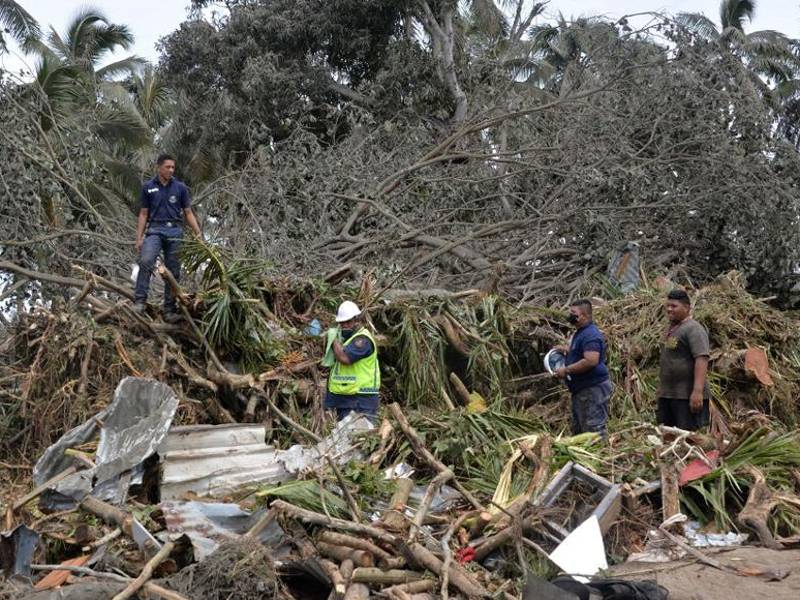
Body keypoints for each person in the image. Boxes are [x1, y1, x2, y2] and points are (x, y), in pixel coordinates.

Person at [133, 153, 202, 322]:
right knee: (146, 260)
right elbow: (143, 214)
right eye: (167, 167)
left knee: (173, 270)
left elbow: (188, 213)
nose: (171, 170)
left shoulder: (180, 188)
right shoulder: (148, 187)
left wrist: (198, 234)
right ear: (159, 167)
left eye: (173, 167)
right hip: (155, 230)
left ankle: (169, 310)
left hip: (174, 231)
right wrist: (139, 238)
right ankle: (140, 301)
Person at [553, 299, 612, 436]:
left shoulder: (590, 335)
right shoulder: (580, 332)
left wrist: (566, 370)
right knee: (580, 431)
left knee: (593, 430)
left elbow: (591, 361)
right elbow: (581, 352)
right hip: (583, 391)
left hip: (592, 390)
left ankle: (599, 455)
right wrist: (567, 350)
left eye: (573, 313)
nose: (570, 315)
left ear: (585, 315)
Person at [657, 289, 710, 430]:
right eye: (667, 306)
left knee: (687, 437)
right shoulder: (672, 328)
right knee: (667, 435)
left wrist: (697, 391)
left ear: (686, 308)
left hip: (686, 396)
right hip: (670, 394)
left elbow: (701, 358)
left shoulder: (693, 329)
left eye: (674, 306)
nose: (669, 309)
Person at [324, 301, 381, 421]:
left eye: (348, 321)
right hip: (347, 399)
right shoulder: (347, 340)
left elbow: (345, 358)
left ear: (357, 320)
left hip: (362, 400)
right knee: (346, 436)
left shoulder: (362, 340)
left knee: (360, 436)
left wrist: (333, 339)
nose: (344, 325)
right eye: (342, 322)